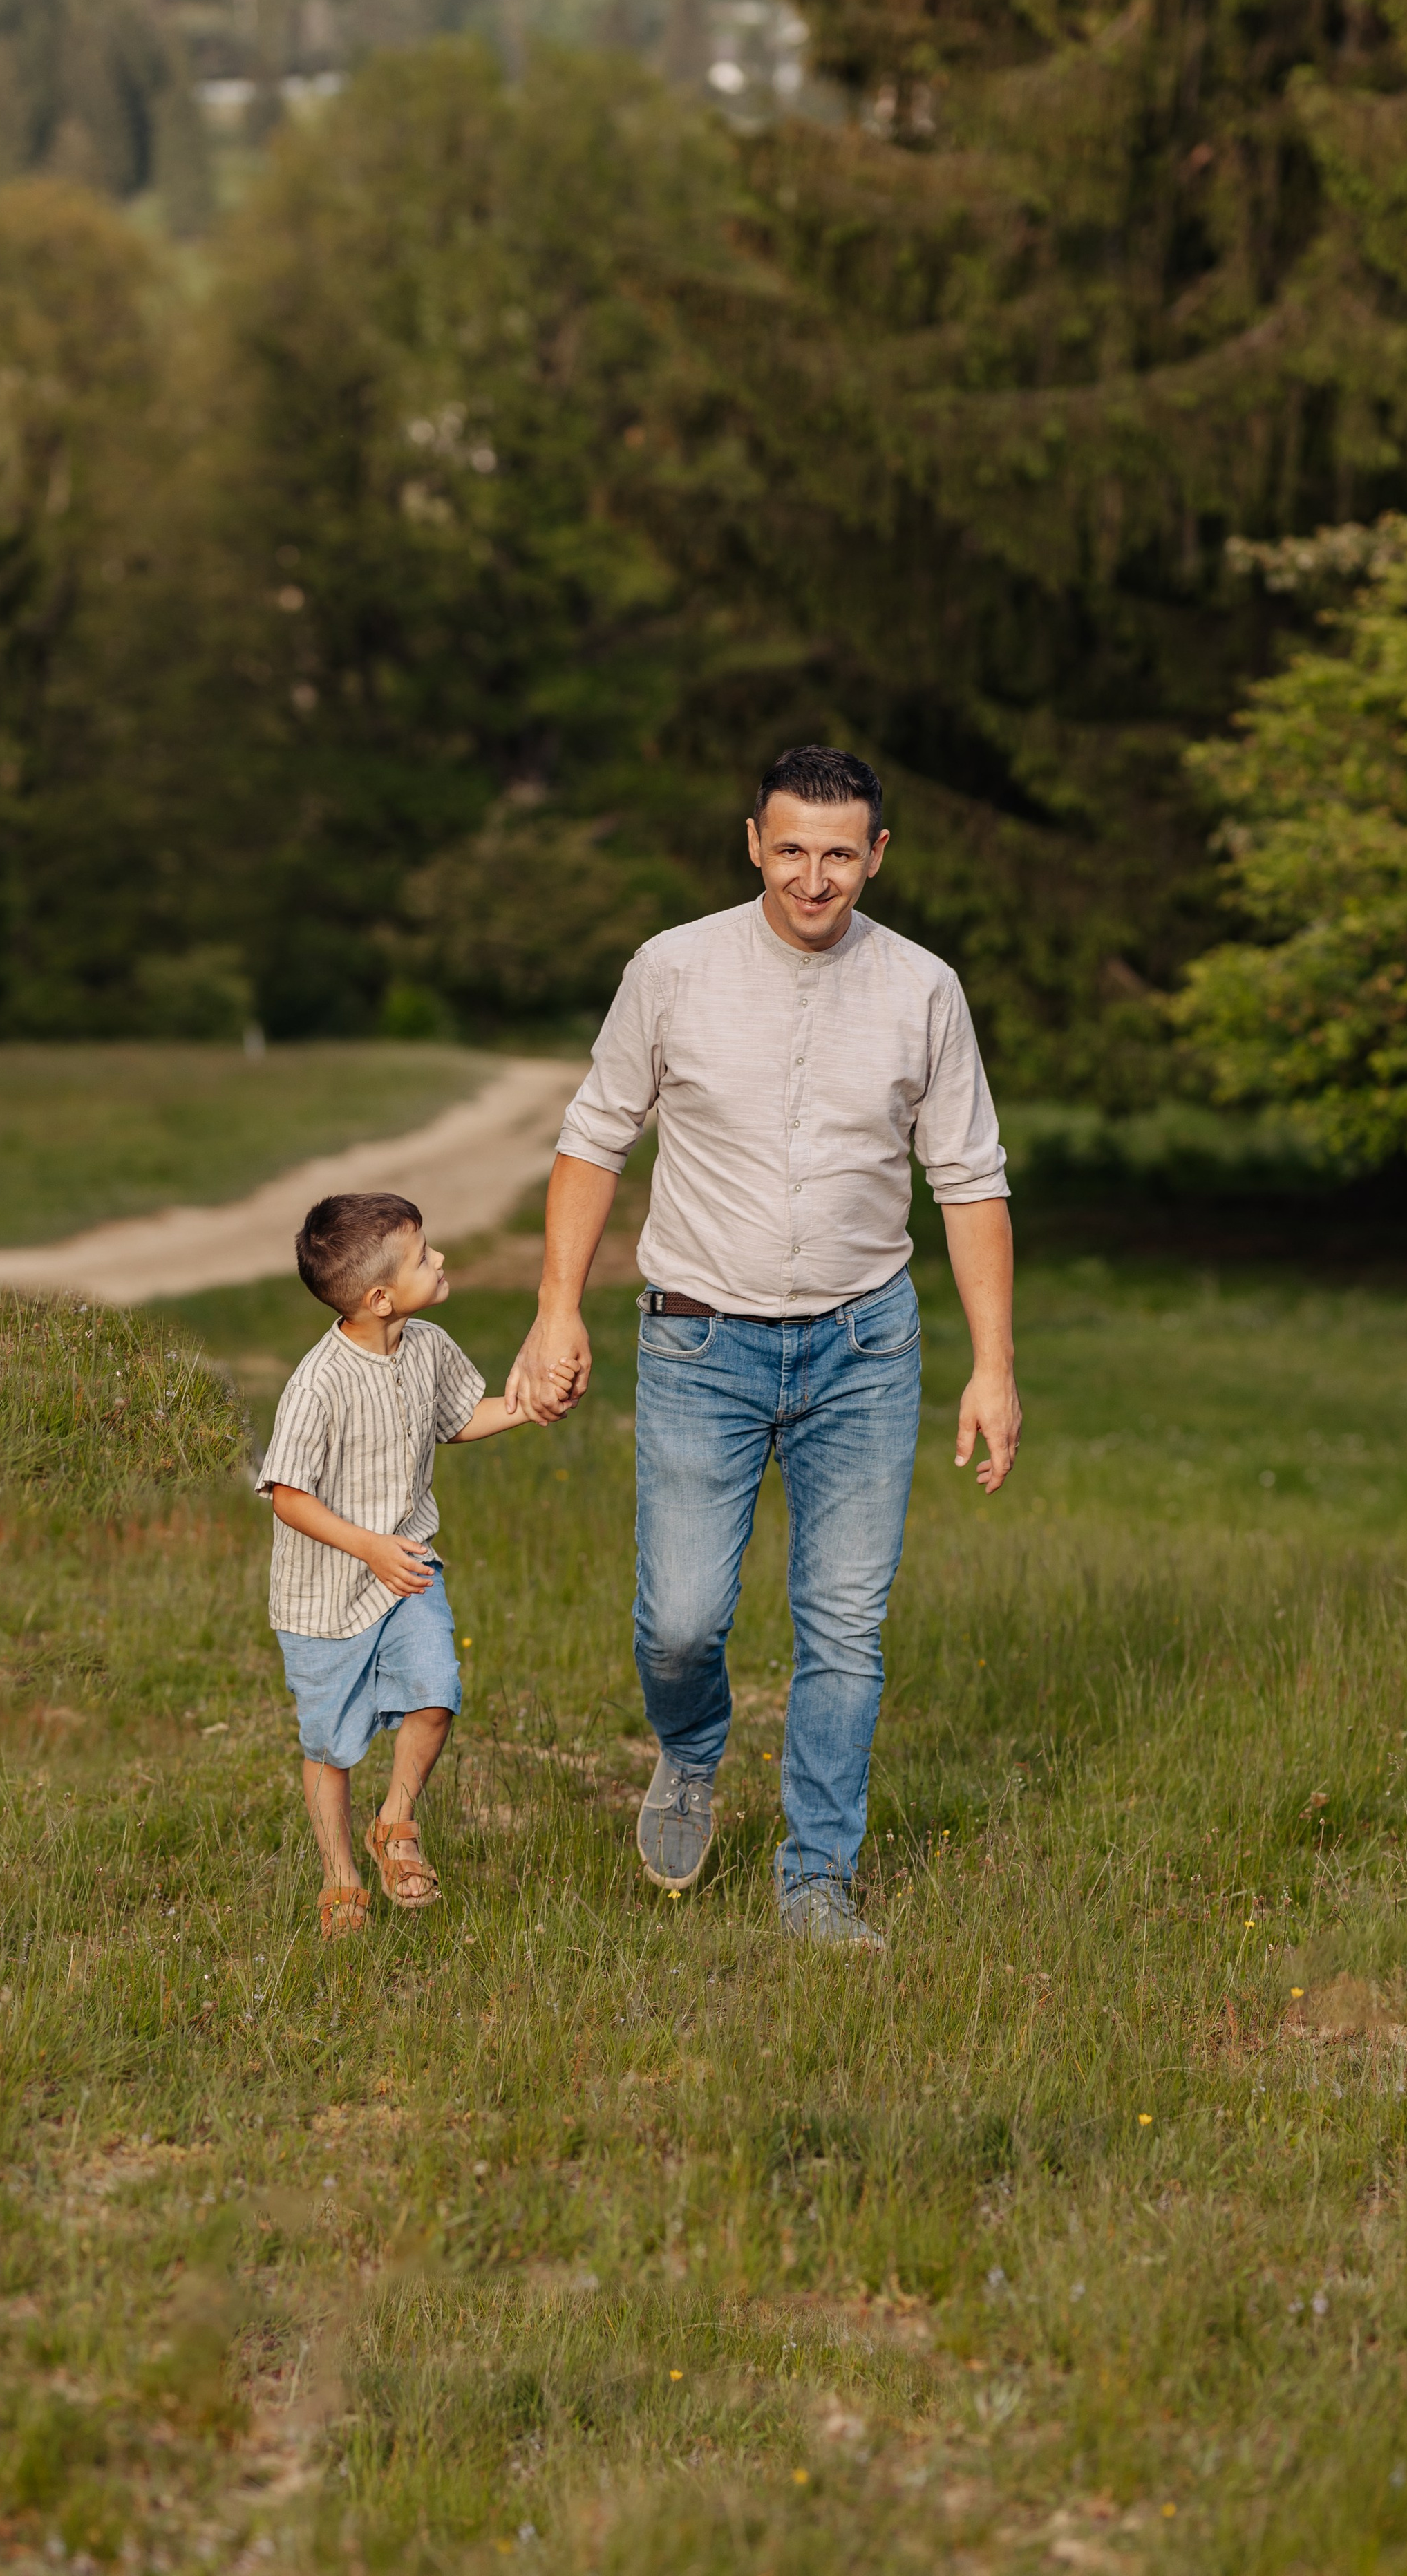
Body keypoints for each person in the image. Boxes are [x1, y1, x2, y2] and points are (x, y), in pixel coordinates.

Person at [507, 745, 1021, 1946]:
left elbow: (972, 1182)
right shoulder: (672, 970)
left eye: (840, 853)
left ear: (877, 856)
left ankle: (817, 1879)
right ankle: (690, 1753)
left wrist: (993, 1364)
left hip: (865, 1350)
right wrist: (556, 1307)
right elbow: (593, 1140)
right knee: (682, 1621)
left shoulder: (924, 990)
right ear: (753, 843)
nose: (814, 876)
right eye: (791, 848)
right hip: (700, 1347)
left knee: (844, 1626)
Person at [257, 1191, 541, 1937]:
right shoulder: (318, 1384)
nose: (439, 1259)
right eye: (423, 1256)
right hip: (325, 1596)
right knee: (330, 1744)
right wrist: (369, 1547)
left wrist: (526, 1406)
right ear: (380, 1297)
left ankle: (396, 1822)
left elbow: (457, 1417)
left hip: (406, 1570)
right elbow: (288, 1497)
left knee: (437, 1690)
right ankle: (341, 1880)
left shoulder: (428, 1345)